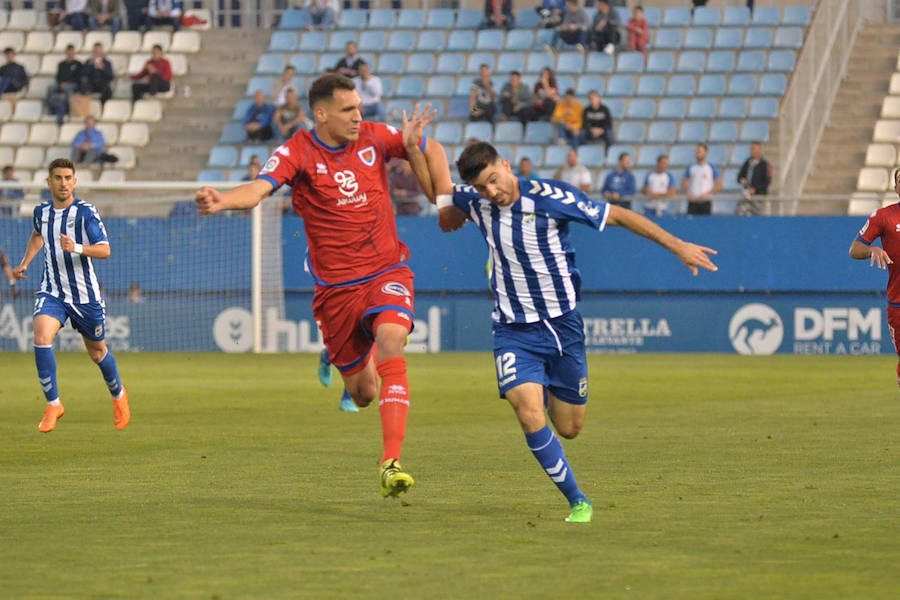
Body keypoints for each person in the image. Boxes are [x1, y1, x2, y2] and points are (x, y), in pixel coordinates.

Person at [403, 137, 718, 522]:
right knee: (528, 411)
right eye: (483, 187)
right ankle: (578, 500)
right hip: (513, 330)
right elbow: (442, 199)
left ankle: (548, 385)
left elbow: (616, 215)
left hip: (563, 327)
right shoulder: (478, 202)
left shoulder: (550, 198)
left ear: (505, 164)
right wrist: (416, 152)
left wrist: (677, 245)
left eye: (494, 179)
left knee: (569, 428)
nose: (491, 191)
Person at [194, 74, 448, 498]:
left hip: (387, 271)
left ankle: (391, 462)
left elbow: (429, 147)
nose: (358, 116)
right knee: (364, 393)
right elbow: (259, 189)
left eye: (359, 107)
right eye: (348, 109)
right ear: (321, 113)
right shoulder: (297, 151)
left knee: (392, 338)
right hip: (337, 291)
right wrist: (223, 200)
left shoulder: (372, 137)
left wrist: (445, 198)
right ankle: (335, 352)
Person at [11, 158, 130, 433]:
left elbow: (105, 249)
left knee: (98, 352)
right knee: (41, 337)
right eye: (58, 178)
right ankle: (54, 404)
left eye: (68, 178)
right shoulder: (41, 212)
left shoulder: (86, 212)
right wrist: (25, 262)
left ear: (74, 181)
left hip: (85, 296)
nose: (63, 183)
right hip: (52, 291)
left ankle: (119, 395)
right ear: (49, 182)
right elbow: (38, 235)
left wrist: (76, 247)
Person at [850, 168, 900, 387]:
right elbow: (855, 248)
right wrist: (872, 250)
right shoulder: (884, 216)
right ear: (895, 187)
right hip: (898, 303)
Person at [682, 143, 723, 215]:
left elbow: (719, 184)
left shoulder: (711, 167)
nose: (697, 153)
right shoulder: (692, 167)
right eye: (697, 151)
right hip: (693, 201)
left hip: (705, 202)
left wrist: (707, 194)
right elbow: (683, 183)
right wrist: (689, 193)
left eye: (700, 151)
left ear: (706, 153)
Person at [47, 45, 82, 126]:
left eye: (72, 52)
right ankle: (50, 108)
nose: (70, 54)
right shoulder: (61, 64)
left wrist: (68, 83)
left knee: (68, 90)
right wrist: (61, 83)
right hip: (62, 84)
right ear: (66, 53)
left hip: (73, 85)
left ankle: (67, 109)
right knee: (51, 88)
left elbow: (79, 78)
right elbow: (58, 76)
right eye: (69, 52)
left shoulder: (78, 64)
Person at [736, 142, 773, 216]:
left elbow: (767, 182)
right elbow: (739, 176)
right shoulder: (748, 163)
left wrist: (755, 189)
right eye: (752, 149)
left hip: (759, 197)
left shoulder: (765, 165)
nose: (753, 151)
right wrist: (741, 180)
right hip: (747, 196)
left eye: (755, 149)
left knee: (759, 217)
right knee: (739, 213)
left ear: (760, 150)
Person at [81, 42, 114, 107]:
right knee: (83, 89)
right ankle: (86, 108)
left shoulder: (107, 63)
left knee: (107, 91)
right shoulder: (89, 62)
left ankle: (102, 107)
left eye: (98, 50)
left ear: (102, 51)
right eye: (95, 51)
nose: (97, 52)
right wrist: (91, 65)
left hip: (103, 84)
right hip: (91, 83)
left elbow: (111, 77)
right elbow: (83, 74)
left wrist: (103, 69)